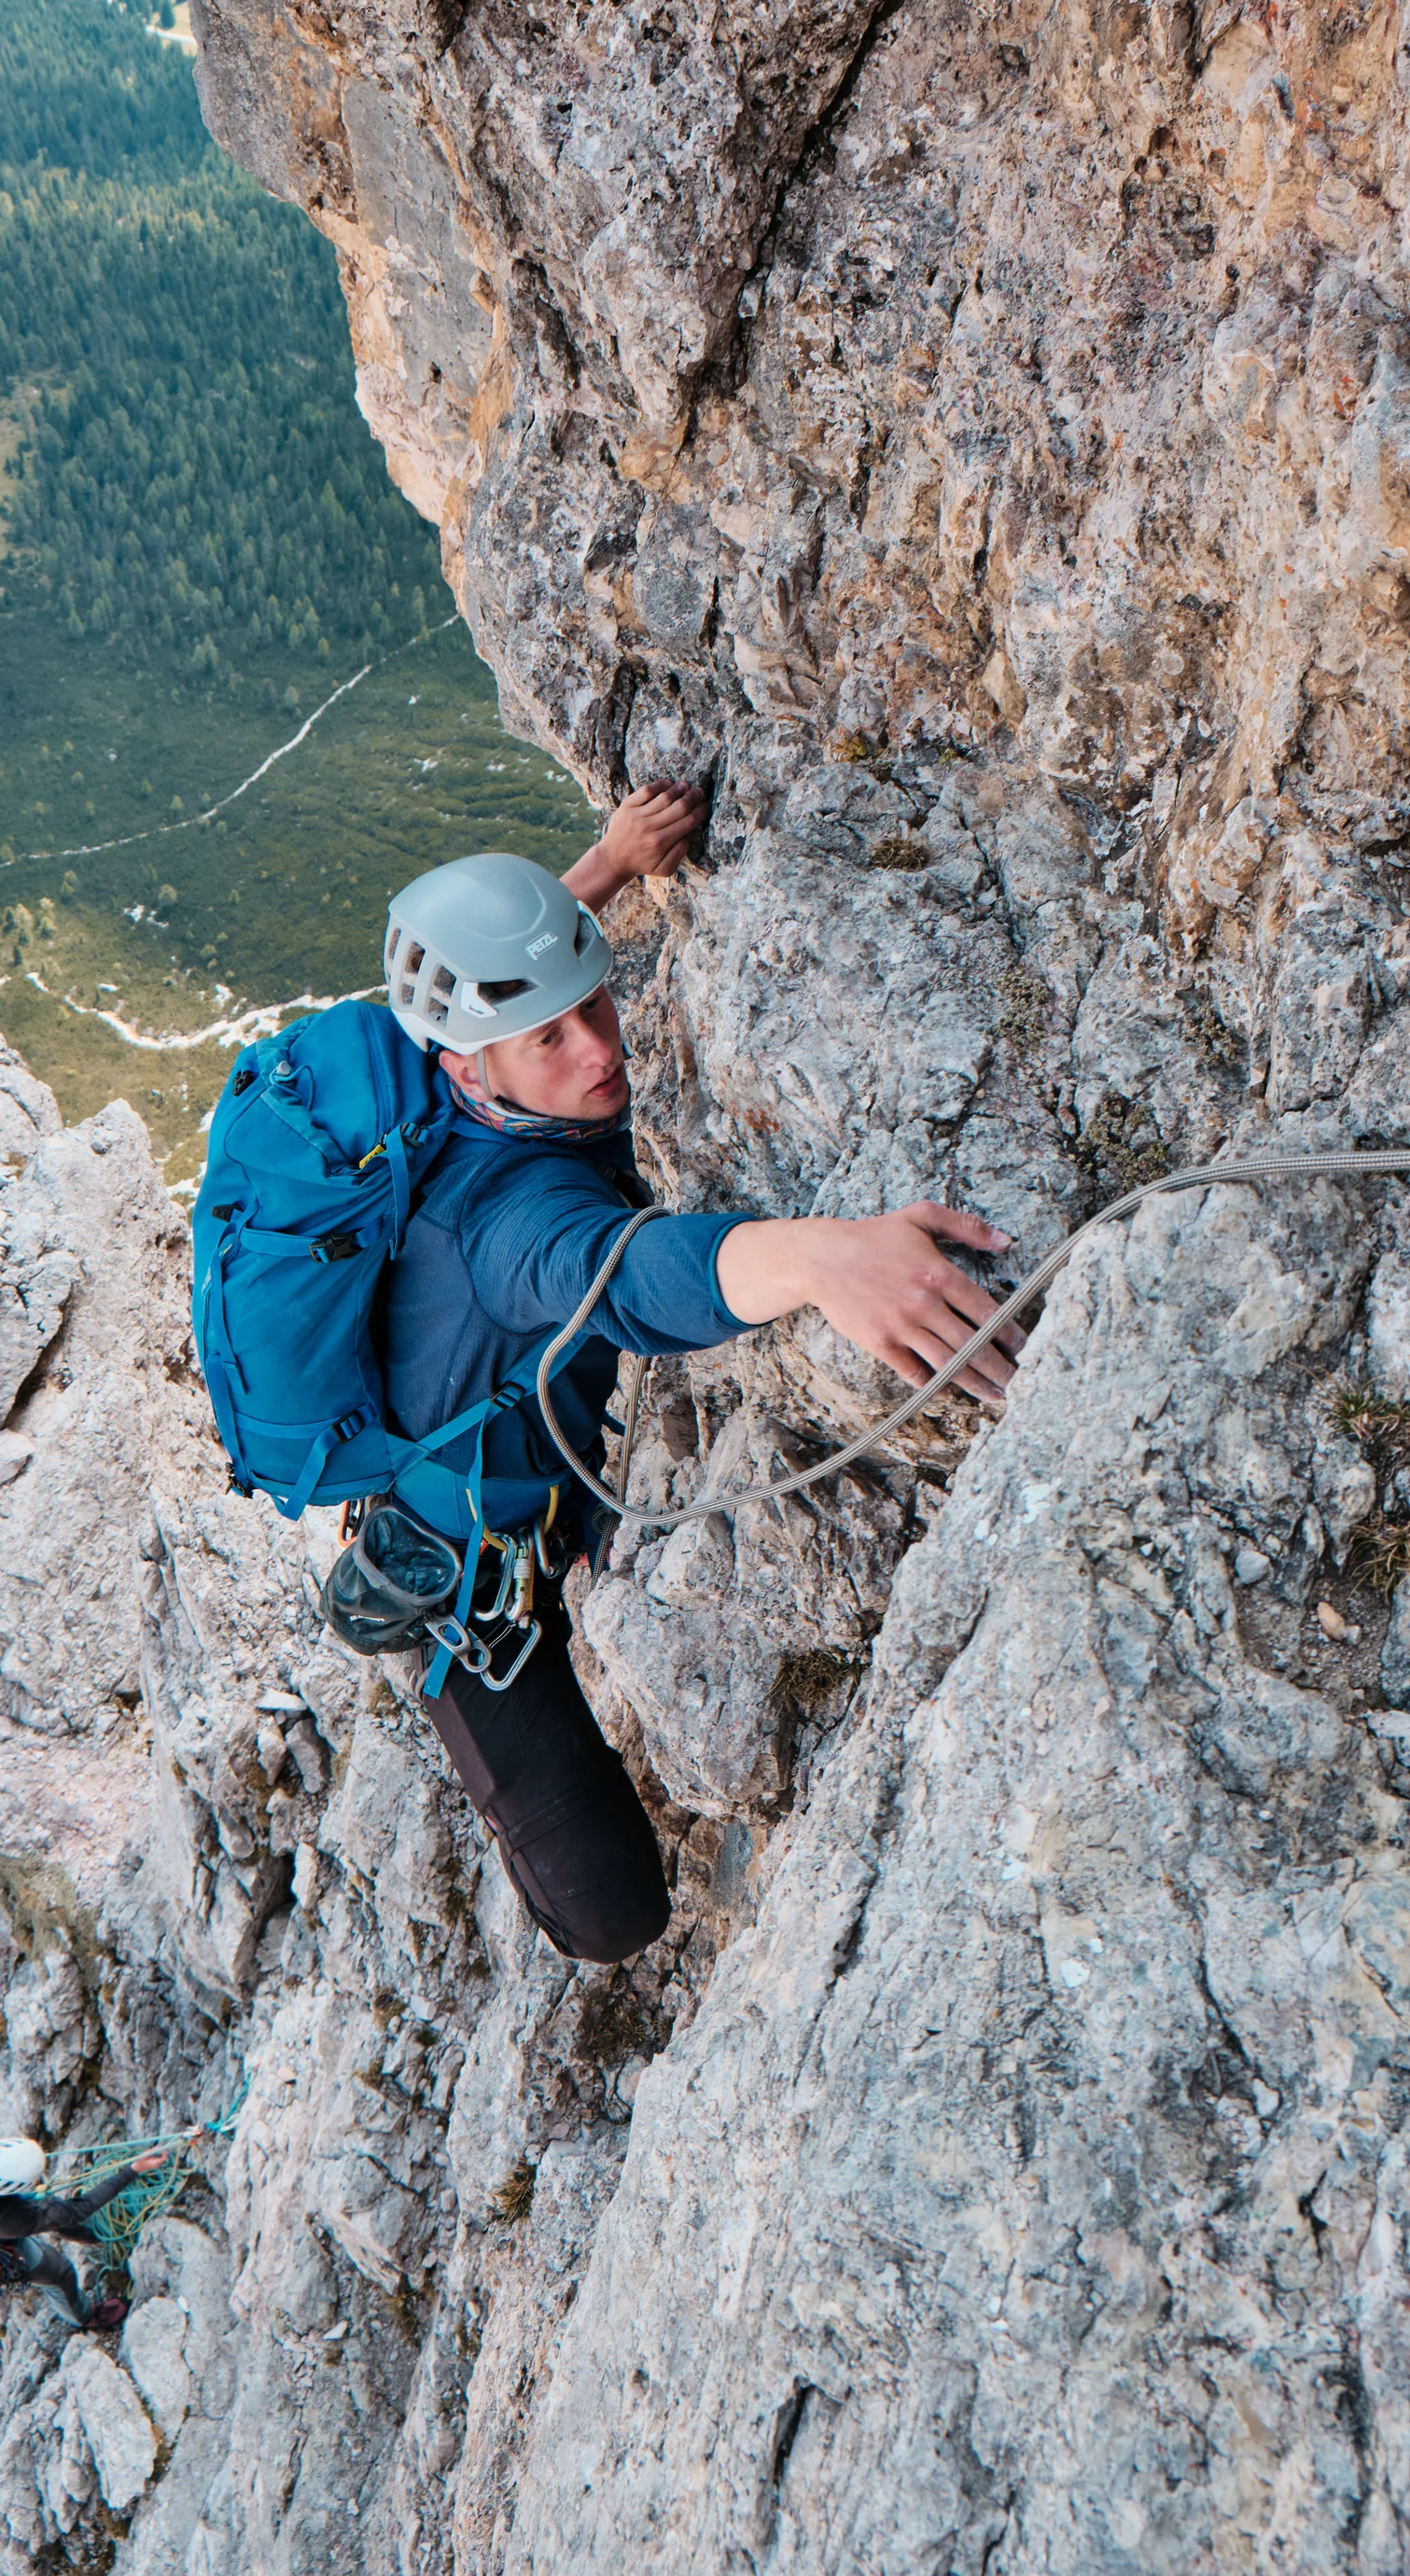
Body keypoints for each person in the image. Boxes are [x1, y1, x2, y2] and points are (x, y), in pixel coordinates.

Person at [375, 780, 1024, 1963]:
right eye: (552, 1040)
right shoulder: (505, 1229)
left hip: (501, 1470)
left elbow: (521, 987)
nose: (599, 1048)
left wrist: (609, 863)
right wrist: (823, 1257)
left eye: (594, 1003)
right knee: (610, 1918)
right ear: (471, 1072)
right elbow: (628, 1277)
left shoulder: (429, 1066)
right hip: (467, 1585)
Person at [0, 2128, 175, 2331]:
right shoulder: (6, 2221)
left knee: (54, 2214)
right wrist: (133, 2170)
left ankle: (87, 2235)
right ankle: (84, 2317)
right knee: (59, 2274)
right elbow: (78, 2209)